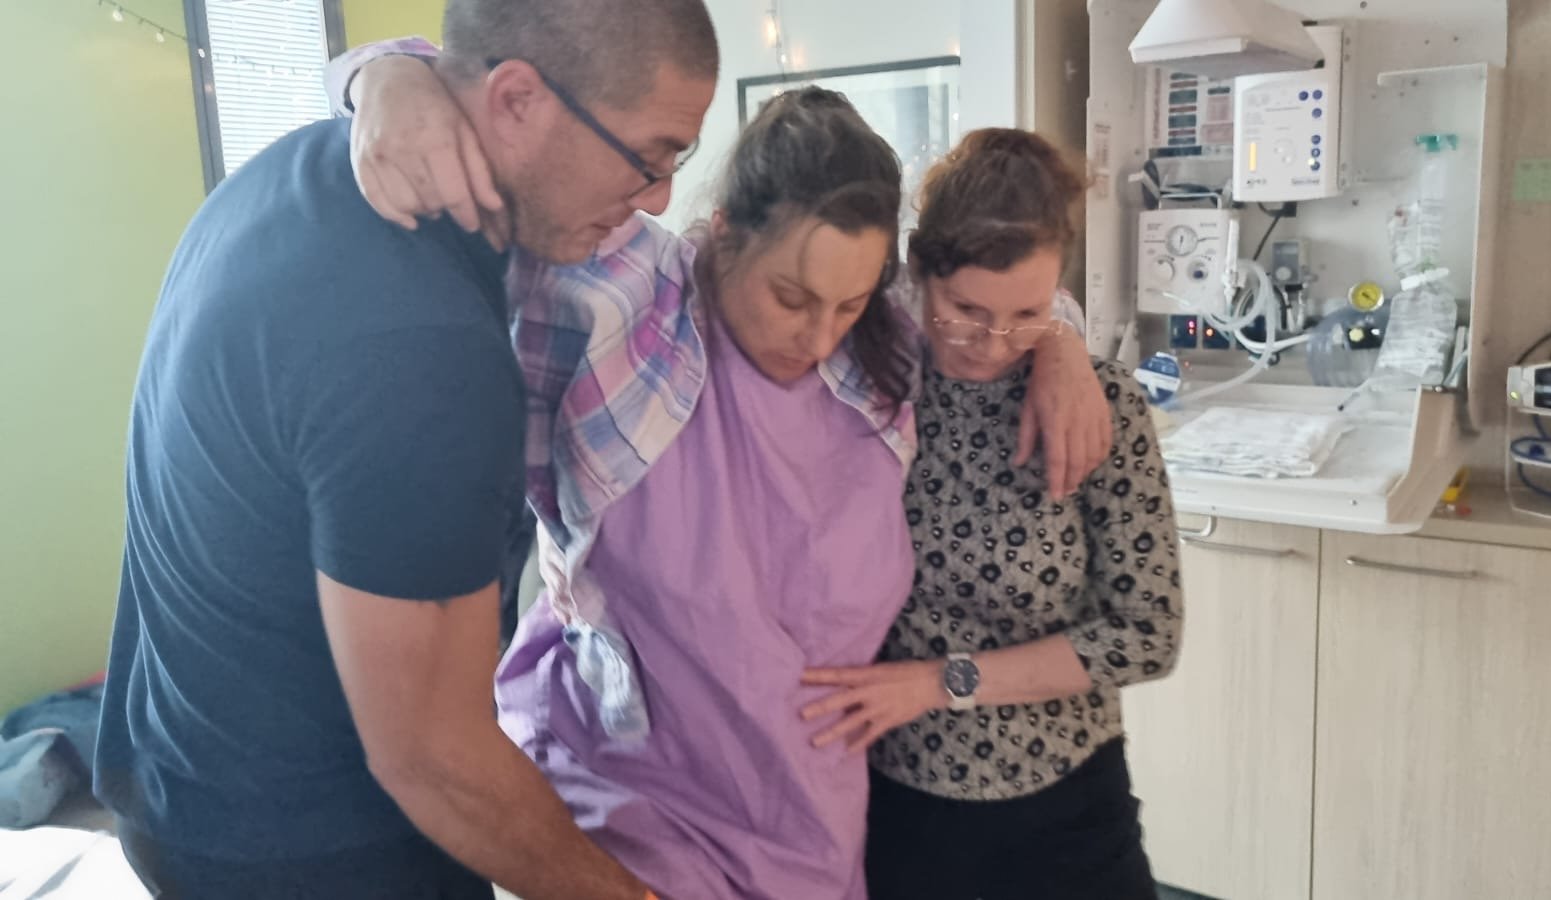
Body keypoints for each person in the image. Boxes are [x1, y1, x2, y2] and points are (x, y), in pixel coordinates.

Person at [329, 45, 1112, 900]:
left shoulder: (882, 348)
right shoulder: (628, 305)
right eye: (790, 297)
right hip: (631, 806)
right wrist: (382, 75)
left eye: (847, 304)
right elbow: (497, 111)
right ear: (726, 233)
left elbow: (997, 303)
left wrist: (1062, 345)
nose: (818, 337)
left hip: (810, 819)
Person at [94, 0, 718, 897]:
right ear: (515, 100)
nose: (657, 196)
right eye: (651, 155)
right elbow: (435, 759)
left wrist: (380, 72)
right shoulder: (418, 347)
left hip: (178, 775)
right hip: (304, 848)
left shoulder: (291, 171)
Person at [799, 129, 1184, 900]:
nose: (996, 341)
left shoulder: (1101, 405)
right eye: (966, 308)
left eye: (1029, 313)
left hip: (1069, 806)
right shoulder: (866, 380)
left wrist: (942, 682)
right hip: (901, 809)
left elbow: (1148, 636)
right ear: (915, 269)